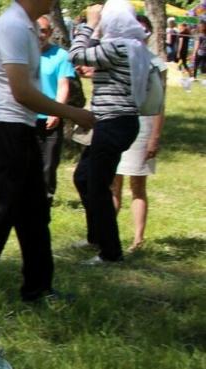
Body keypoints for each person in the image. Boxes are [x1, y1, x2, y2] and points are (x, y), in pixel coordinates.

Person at [0, 0, 94, 310]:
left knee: (34, 215)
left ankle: (38, 288)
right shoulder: (11, 25)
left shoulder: (25, 25)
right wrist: (72, 112)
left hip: (20, 130)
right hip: (5, 130)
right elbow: (21, 92)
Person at [68, 0, 148, 264]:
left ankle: (111, 252)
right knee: (83, 177)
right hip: (116, 122)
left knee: (98, 186)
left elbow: (76, 55)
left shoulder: (117, 46)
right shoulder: (131, 45)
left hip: (113, 123)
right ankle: (97, 236)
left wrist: (89, 25)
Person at [111, 15, 167, 253]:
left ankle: (137, 239)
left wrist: (154, 136)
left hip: (143, 127)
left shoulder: (157, 63)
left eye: (144, 29)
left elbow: (160, 104)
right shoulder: (119, 56)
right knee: (113, 184)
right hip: (117, 124)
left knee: (137, 184)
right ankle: (105, 235)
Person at [36, 15, 76, 205]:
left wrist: (56, 112)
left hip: (49, 117)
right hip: (26, 117)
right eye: (36, 30)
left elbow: (63, 86)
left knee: (48, 164)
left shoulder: (60, 56)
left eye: (43, 30)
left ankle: (46, 199)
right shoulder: (23, 55)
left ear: (50, 32)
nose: (39, 34)